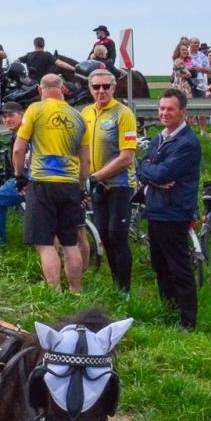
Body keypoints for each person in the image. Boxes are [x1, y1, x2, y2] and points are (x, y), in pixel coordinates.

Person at [12, 74, 89, 293]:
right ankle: (76, 291)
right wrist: (82, 188)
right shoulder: (78, 116)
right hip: (70, 184)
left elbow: (19, 148)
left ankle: (54, 292)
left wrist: (19, 177)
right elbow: (86, 160)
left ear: (40, 89)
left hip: (42, 182)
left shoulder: (35, 110)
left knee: (45, 244)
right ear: (62, 89)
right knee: (70, 242)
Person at [138, 90, 203, 329]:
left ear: (183, 112)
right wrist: (151, 174)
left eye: (170, 109)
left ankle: (187, 321)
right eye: (162, 108)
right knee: (160, 265)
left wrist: (151, 172)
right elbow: (141, 167)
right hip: (155, 209)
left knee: (179, 268)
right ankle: (168, 310)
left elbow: (162, 172)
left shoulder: (187, 143)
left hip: (174, 212)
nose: (164, 113)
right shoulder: (159, 138)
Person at [83, 68, 137, 295]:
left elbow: (127, 157)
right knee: (104, 234)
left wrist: (96, 176)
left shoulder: (123, 113)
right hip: (95, 185)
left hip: (119, 184)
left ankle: (124, 292)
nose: (101, 91)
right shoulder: (85, 113)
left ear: (114, 88)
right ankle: (116, 286)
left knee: (117, 235)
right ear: (90, 88)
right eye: (96, 87)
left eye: (106, 86)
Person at [0, 102, 29, 247]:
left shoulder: (25, 134)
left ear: (22, 114)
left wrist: (19, 178)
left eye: (11, 115)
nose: (7, 119)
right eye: (4, 117)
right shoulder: (17, 133)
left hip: (28, 180)